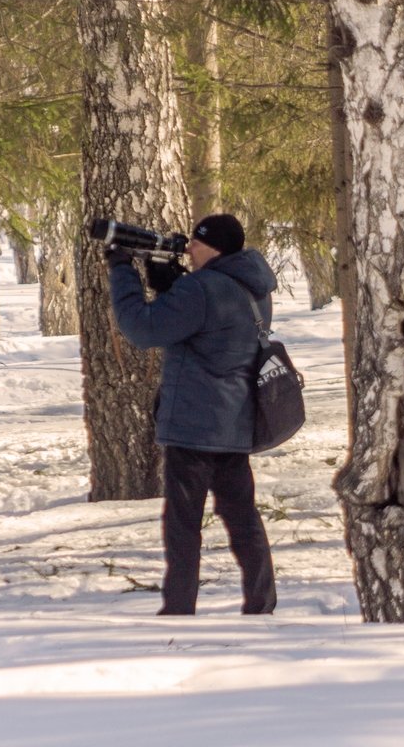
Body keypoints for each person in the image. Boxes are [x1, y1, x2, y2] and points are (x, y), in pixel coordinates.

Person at [106, 213, 277, 616]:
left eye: (195, 244)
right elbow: (210, 326)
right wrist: (172, 286)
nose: (188, 248)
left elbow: (142, 330)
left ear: (212, 247)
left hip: (194, 425)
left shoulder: (203, 288)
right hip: (234, 423)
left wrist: (122, 273)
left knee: (183, 523)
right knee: (242, 517)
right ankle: (261, 601)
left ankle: (179, 608)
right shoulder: (252, 286)